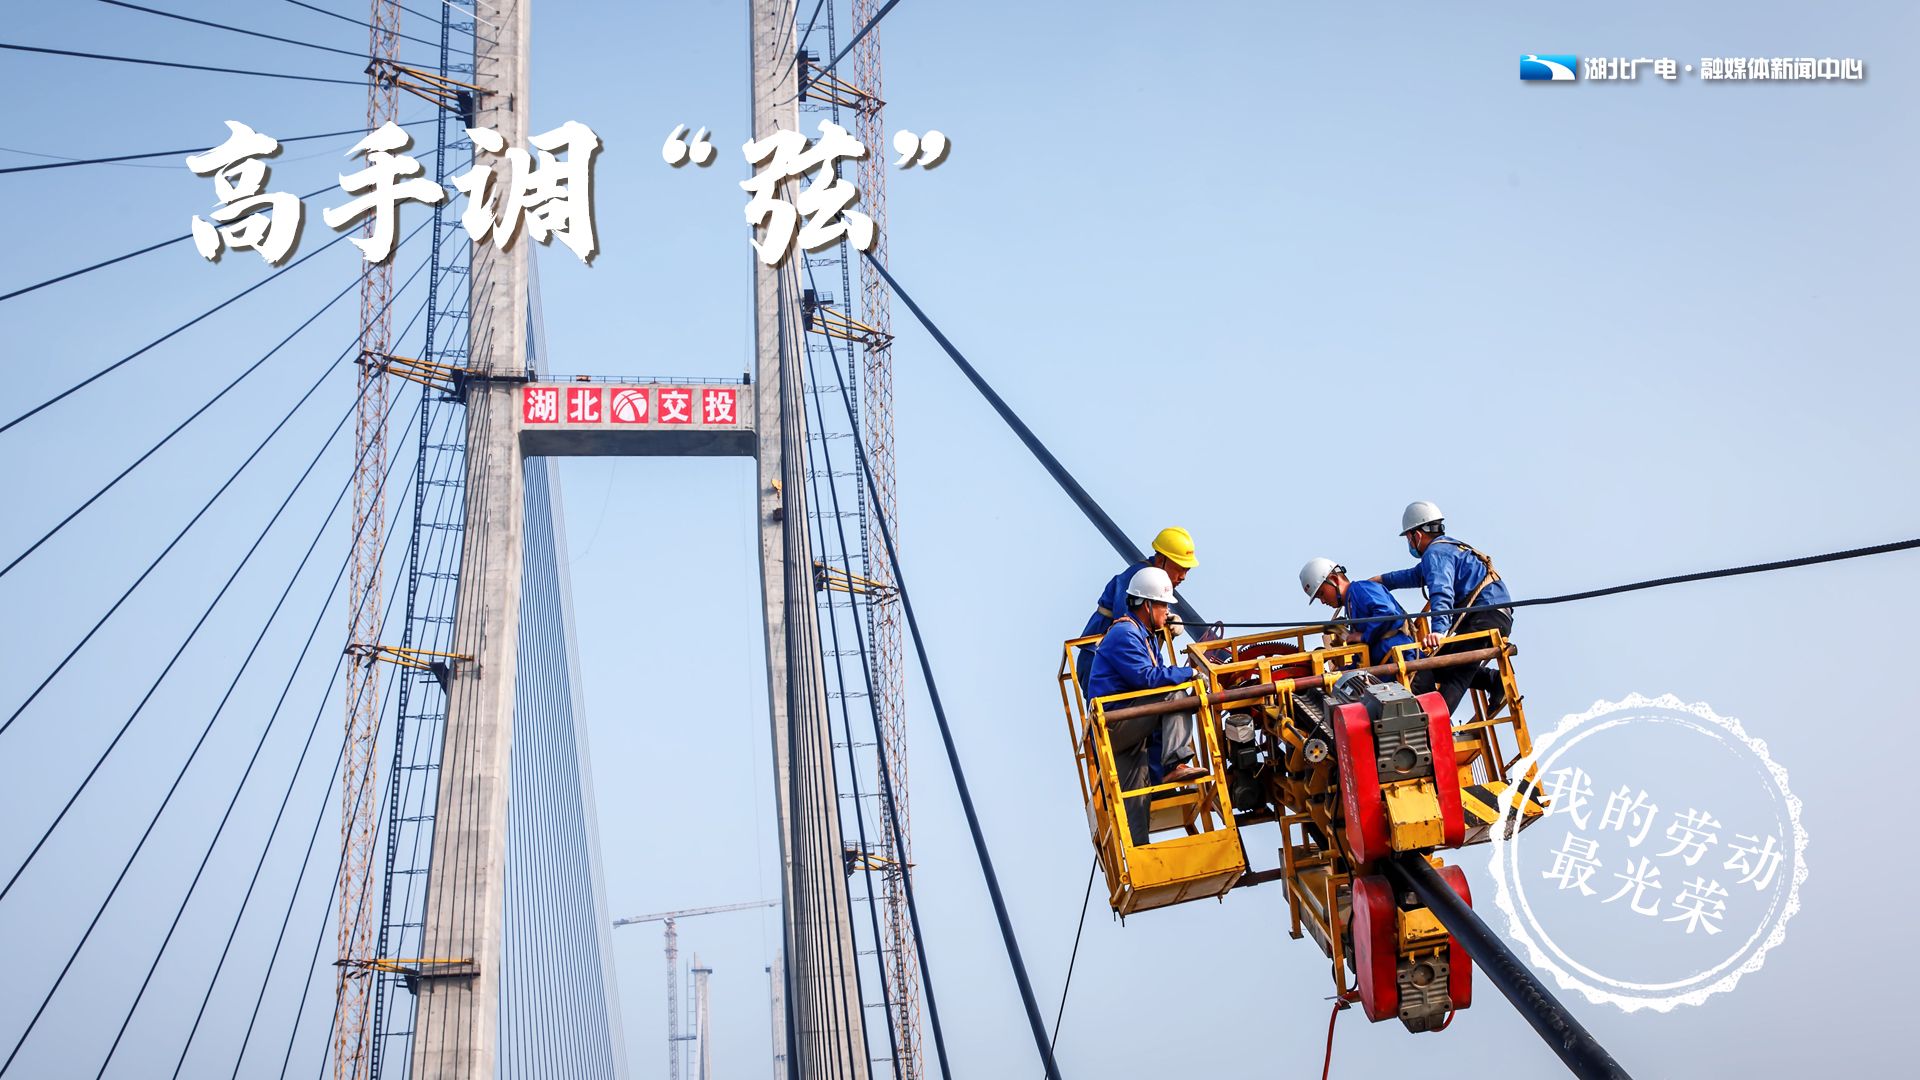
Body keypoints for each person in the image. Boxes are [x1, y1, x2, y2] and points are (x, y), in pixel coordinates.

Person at [1085, 566, 1209, 846]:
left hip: (1125, 727)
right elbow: (1148, 678)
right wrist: (1189, 674)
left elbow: (1156, 673)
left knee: (1136, 800)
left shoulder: (1145, 637)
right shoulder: (1125, 634)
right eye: (1163, 605)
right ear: (1146, 605)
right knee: (1176, 695)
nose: (1167, 612)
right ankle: (1175, 762)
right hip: (1115, 724)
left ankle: (1140, 853)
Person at [1371, 500, 1512, 714]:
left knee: (1455, 674)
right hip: (1494, 614)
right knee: (1437, 666)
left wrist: (1438, 630)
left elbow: (1441, 591)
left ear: (1417, 535)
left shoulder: (1435, 553)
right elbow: (1415, 575)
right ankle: (1493, 680)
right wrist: (1382, 581)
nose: (1409, 543)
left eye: (1408, 538)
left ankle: (1436, 725)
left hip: (1485, 615)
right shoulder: (1447, 548)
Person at [1074, 526, 1199, 689]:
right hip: (1096, 660)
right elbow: (1130, 619)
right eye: (1180, 568)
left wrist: (1165, 619)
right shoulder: (1138, 579)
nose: (1183, 576)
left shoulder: (1151, 583)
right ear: (1161, 560)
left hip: (1119, 660)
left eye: (1187, 570)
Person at [1299, 557, 1421, 666]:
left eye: (1321, 594)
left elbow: (1387, 611)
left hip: (1406, 663)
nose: (1323, 601)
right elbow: (1362, 657)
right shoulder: (1351, 605)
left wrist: (1364, 636)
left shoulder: (1361, 589)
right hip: (1389, 667)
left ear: (1334, 580)